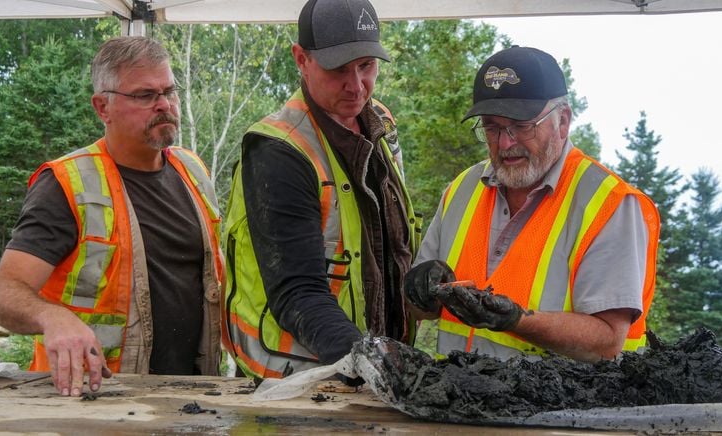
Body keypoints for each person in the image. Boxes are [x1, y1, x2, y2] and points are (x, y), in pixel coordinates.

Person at [0, 36, 225, 396]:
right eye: (145, 95)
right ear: (102, 107)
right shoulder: (66, 184)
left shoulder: (192, 170)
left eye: (169, 91)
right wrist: (52, 317)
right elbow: (0, 297)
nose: (164, 105)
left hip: (190, 391)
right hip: (94, 397)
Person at [404, 46, 660, 363]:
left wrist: (517, 321)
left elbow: (606, 341)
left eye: (522, 126)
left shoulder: (609, 205)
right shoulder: (461, 190)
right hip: (455, 405)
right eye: (491, 127)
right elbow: (418, 311)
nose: (505, 143)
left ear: (563, 121)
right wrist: (419, 292)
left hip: (562, 411)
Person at [222, 0, 421, 380]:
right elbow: (296, 291)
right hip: (302, 377)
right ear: (301, 58)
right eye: (338, 69)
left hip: (372, 357)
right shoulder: (279, 150)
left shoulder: (381, 122)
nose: (356, 85)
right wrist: (370, 359)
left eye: (366, 66)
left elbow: (390, 243)